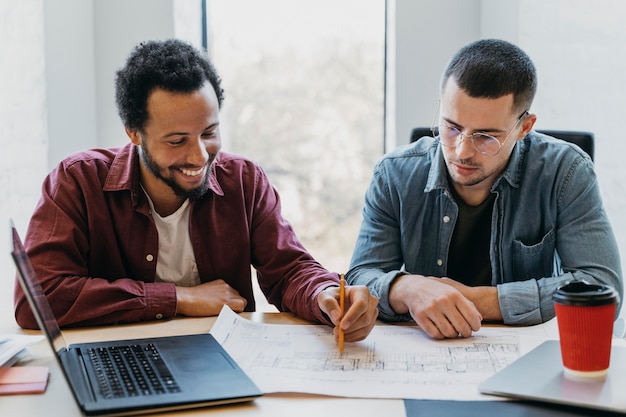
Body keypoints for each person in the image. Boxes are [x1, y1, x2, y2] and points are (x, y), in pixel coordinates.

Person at [14, 39, 378, 344]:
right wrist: (179, 299)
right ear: (134, 133)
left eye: (209, 133)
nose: (199, 156)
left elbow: (288, 271)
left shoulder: (245, 181)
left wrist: (325, 295)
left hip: (225, 356)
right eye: (176, 141)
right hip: (122, 354)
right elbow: (37, 299)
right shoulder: (78, 181)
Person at [347, 39, 623, 340]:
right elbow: (361, 277)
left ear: (524, 127)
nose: (462, 151)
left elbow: (602, 289)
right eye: (451, 128)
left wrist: (477, 300)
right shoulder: (393, 174)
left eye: (486, 137)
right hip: (424, 353)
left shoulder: (566, 172)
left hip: (525, 357)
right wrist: (408, 289)